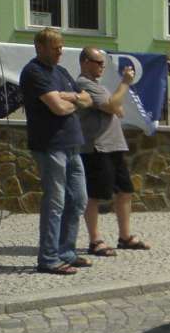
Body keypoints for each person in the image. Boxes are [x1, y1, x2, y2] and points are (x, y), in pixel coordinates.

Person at [19, 27, 93, 275]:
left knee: (78, 199)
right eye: (55, 48)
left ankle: (66, 252)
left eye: (61, 47)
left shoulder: (60, 72)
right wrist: (74, 100)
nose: (60, 51)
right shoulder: (33, 72)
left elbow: (88, 99)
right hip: (50, 146)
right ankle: (49, 258)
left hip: (72, 145)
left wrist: (67, 97)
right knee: (55, 202)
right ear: (40, 48)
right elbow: (58, 108)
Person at [77, 47, 150, 255]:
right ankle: (95, 241)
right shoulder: (83, 84)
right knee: (94, 194)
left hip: (114, 145)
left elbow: (119, 109)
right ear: (85, 62)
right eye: (98, 62)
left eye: (103, 63)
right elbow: (112, 107)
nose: (102, 66)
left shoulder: (98, 87)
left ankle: (125, 237)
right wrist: (125, 83)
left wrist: (113, 103)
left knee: (125, 190)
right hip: (97, 146)